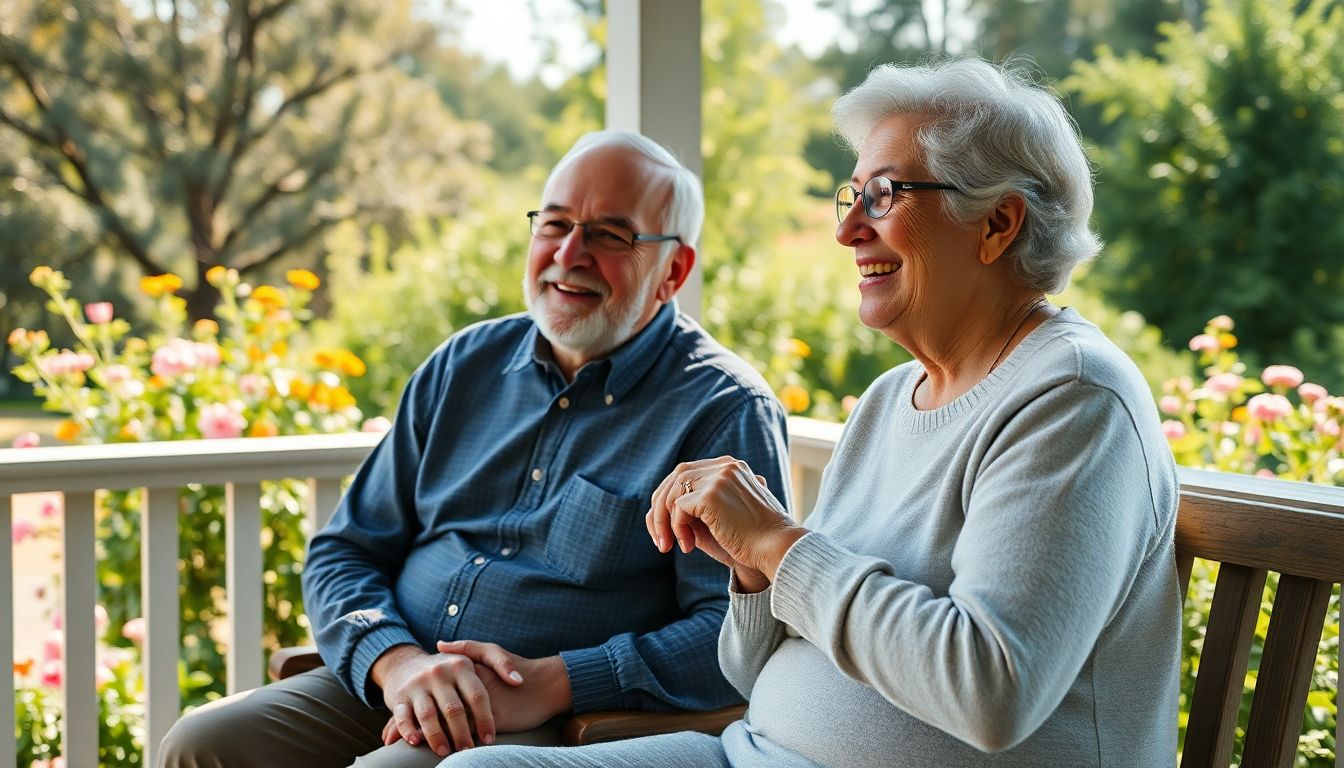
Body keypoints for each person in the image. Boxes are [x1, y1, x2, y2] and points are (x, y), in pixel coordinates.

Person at [442, 57, 1182, 768]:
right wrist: (754, 573)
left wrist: (781, 547)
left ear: (997, 224)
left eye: (885, 195)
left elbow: (990, 689)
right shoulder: (894, 399)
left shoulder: (1074, 397)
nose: (848, 229)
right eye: (849, 195)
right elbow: (749, 667)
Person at [156, 130, 791, 767]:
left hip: (549, 720)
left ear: (673, 271)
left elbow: (733, 631)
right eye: (556, 223)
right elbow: (344, 549)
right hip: (394, 683)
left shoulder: (722, 409)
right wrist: (398, 664)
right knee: (199, 745)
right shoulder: (462, 364)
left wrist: (560, 681)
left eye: (609, 234)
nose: (570, 253)